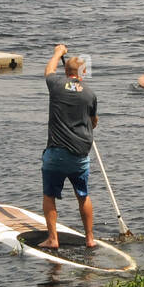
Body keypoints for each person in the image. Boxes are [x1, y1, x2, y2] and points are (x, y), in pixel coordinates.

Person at [41, 44, 97, 250]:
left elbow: (48, 71)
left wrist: (58, 53)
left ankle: (53, 239)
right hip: (80, 155)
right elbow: (93, 121)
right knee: (83, 195)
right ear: (82, 73)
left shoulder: (56, 85)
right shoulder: (90, 94)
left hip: (56, 154)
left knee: (49, 195)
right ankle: (90, 238)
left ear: (66, 72)